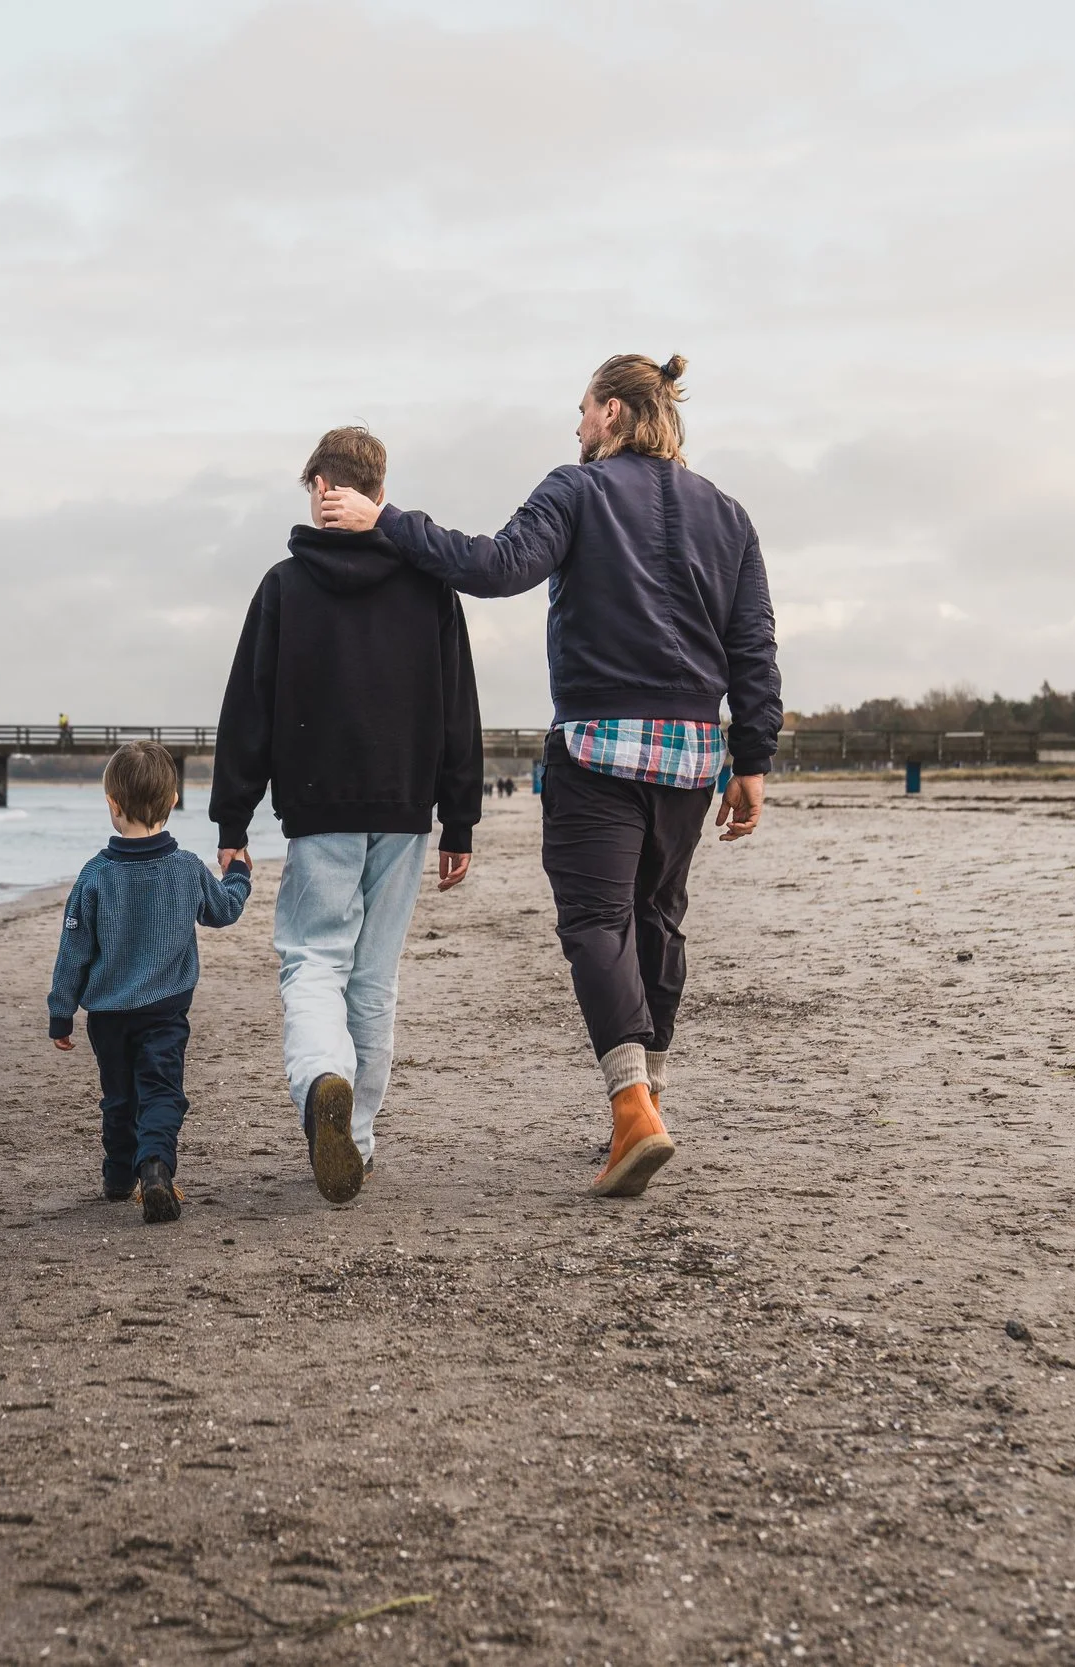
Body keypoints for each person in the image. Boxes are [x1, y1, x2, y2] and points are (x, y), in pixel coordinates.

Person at [318, 354, 781, 1200]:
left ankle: (633, 1109)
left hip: (600, 743)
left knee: (596, 921)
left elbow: (494, 565)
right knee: (659, 919)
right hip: (690, 753)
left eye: (580, 412)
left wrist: (383, 519)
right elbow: (753, 644)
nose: (574, 428)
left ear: (611, 412)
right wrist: (751, 757)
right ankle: (648, 1101)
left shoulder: (578, 488)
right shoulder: (730, 513)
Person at [211, 426, 481, 1205]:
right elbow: (458, 706)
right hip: (404, 808)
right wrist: (458, 817)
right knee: (374, 975)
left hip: (319, 808)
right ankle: (355, 1137)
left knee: (312, 958)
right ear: (378, 489)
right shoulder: (430, 585)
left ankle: (322, 1085)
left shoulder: (285, 586)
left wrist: (232, 823)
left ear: (322, 487)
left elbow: (247, 711)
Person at [48, 741, 252, 1225]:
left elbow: (73, 949)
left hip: (108, 1014)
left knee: (118, 1096)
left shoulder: (95, 874)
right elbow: (223, 910)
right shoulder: (186, 868)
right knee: (161, 1090)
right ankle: (155, 1168)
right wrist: (240, 873)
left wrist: (61, 1010)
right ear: (173, 801)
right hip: (165, 1011)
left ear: (112, 806)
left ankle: (118, 1175)